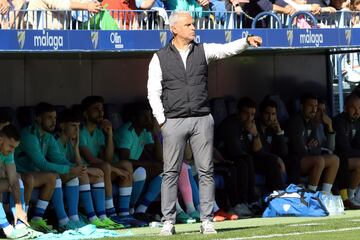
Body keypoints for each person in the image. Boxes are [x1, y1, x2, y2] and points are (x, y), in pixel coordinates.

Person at [147, 10, 262, 235]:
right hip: (174, 121)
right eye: (188, 24)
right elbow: (153, 91)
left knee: (206, 171)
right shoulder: (159, 57)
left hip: (201, 119)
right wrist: (163, 122)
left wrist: (246, 41)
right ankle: (168, 221)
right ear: (174, 29)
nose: (193, 27)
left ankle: (206, 220)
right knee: (170, 172)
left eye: (193, 24)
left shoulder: (203, 50)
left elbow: (226, 49)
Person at [14, 102, 85, 232]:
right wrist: (69, 169)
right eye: (49, 118)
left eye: (55, 118)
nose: (53, 122)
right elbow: (41, 163)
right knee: (53, 175)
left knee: (68, 176)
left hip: (36, 175)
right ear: (38, 118)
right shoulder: (29, 135)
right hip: (20, 174)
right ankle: (62, 221)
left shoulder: (48, 137)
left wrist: (80, 169)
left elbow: (59, 159)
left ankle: (64, 219)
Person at [79, 96, 144, 227]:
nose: (101, 112)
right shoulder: (80, 131)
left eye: (102, 109)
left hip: (100, 170)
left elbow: (107, 158)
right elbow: (91, 159)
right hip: (84, 170)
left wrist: (109, 135)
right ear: (86, 114)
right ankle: (111, 212)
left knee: (125, 165)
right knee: (106, 167)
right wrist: (114, 169)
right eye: (96, 109)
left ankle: (124, 213)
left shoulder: (98, 132)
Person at [57, 109, 124, 229]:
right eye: (73, 126)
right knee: (83, 175)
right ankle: (88, 217)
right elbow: (64, 166)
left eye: (78, 126)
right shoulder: (56, 141)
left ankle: (102, 216)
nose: (77, 130)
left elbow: (77, 164)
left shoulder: (70, 142)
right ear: (62, 126)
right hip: (56, 176)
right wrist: (87, 169)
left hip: (67, 175)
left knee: (97, 175)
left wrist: (76, 148)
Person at [285, 93, 339, 193]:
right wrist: (309, 148)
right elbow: (298, 150)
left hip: (307, 157)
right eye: (310, 106)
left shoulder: (311, 123)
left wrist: (310, 148)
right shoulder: (295, 121)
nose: (314, 110)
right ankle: (311, 196)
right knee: (319, 160)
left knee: (334, 159)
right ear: (302, 106)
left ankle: (325, 195)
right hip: (294, 161)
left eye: (315, 106)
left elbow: (316, 146)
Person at [0, 125, 43, 239]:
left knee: (17, 181)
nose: (12, 150)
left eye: (15, 147)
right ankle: (6, 228)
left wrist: (18, 206)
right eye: (10, 146)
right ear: (0, 139)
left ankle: (20, 225)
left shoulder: (8, 152)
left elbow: (13, 180)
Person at [333, 93, 360, 209]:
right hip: (338, 159)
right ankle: (348, 197)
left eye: (359, 108)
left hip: (350, 157)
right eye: (353, 108)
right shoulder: (338, 121)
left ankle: (353, 196)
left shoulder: (358, 122)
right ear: (345, 108)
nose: (357, 111)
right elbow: (343, 148)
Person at [27, 0, 101, 29]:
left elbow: (79, 1)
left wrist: (94, 3)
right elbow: (61, 5)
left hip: (57, 36)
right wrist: (87, 6)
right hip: (39, 35)